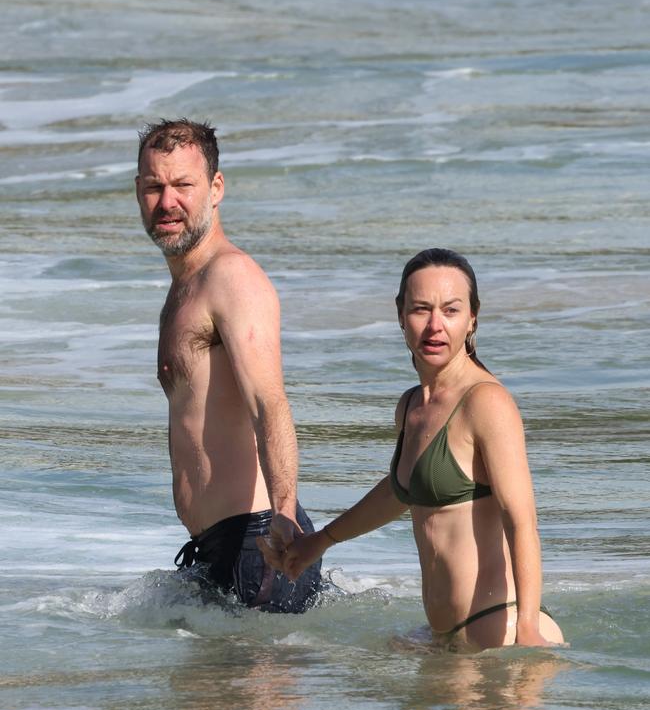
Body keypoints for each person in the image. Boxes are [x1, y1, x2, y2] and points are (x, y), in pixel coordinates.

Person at [260, 248, 564, 648]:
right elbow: (399, 491)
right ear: (400, 315)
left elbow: (521, 520)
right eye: (421, 309)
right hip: (448, 637)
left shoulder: (487, 403)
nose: (435, 326)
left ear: (473, 318)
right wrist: (321, 541)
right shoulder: (411, 406)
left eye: (451, 311)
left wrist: (528, 629)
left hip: (500, 631)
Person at [135, 118, 320, 613]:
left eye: (182, 185)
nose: (166, 202)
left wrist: (284, 514)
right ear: (137, 192)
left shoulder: (232, 278)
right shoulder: (185, 287)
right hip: (221, 549)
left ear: (216, 189)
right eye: (154, 186)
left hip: (258, 544)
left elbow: (269, 402)